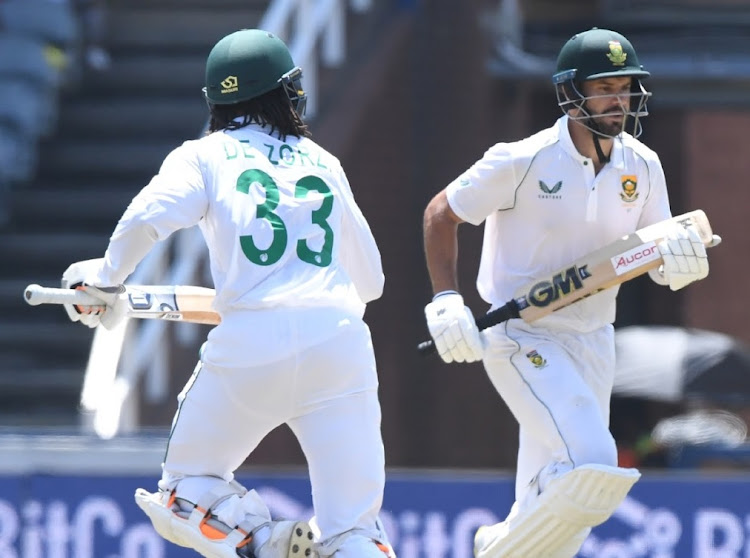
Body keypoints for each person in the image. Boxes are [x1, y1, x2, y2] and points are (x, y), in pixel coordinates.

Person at [60, 28, 396, 558]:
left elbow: (148, 217)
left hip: (250, 345)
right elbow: (372, 282)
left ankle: (264, 540)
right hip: (341, 343)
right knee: (354, 531)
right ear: (286, 92)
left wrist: (105, 278)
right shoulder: (324, 162)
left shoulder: (204, 155)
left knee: (182, 491)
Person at [421, 27, 719, 558]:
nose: (619, 100)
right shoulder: (522, 159)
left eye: (625, 87)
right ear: (570, 93)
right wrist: (447, 299)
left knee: (564, 521)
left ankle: (499, 544)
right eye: (605, 87)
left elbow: (654, 250)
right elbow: (441, 213)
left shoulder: (643, 166)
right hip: (520, 333)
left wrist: (680, 266)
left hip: (593, 339)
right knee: (592, 462)